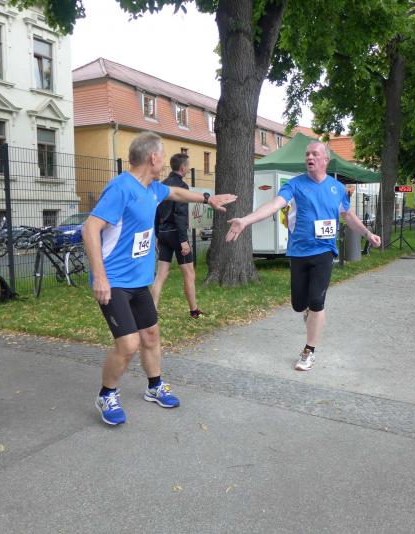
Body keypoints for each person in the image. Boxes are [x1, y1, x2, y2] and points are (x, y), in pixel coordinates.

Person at [83, 132, 236, 426]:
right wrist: (99, 277)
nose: (164, 161)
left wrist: (207, 199)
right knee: (129, 344)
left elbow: (177, 193)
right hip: (114, 282)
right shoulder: (121, 188)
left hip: (138, 281)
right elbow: (90, 228)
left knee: (151, 335)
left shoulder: (152, 188)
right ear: (153, 157)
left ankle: (154, 386)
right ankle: (106, 394)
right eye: (163, 155)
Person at [226, 141, 382, 371]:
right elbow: (274, 205)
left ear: (325, 160)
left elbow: (348, 215)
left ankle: (309, 350)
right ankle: (310, 312)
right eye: (307, 154)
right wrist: (246, 220)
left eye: (315, 154)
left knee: (317, 302)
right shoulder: (295, 184)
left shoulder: (337, 188)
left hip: (324, 251)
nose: (309, 157)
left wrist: (368, 234)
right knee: (299, 304)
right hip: (299, 251)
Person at [150, 153, 204, 318]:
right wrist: (183, 240)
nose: (188, 168)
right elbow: (180, 214)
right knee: (189, 274)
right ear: (182, 168)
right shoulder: (182, 187)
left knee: (161, 274)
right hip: (177, 235)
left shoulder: (161, 185)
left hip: (163, 233)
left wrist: (157, 234)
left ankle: (151, 311)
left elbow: (155, 212)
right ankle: (194, 311)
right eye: (187, 166)